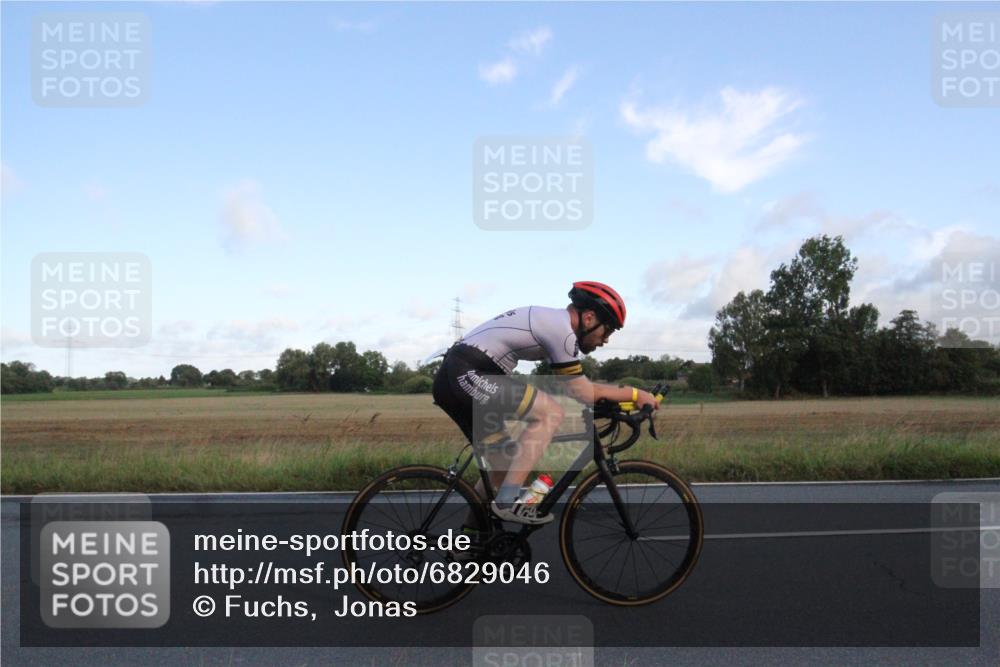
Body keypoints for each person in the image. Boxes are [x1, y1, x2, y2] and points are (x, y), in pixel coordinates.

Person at [432, 281, 659, 526]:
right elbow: (582, 391)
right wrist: (636, 395)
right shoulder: (561, 331)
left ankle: (470, 542)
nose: (605, 341)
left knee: (502, 465)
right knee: (550, 413)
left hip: (457, 373)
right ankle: (507, 502)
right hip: (469, 371)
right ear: (590, 318)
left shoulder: (553, 323)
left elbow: (571, 388)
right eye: (607, 331)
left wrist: (612, 400)